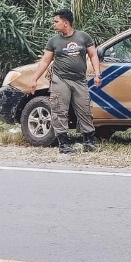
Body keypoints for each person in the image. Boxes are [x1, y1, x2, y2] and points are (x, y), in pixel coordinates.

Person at [29, 8, 101, 154]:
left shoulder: (83, 37)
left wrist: (98, 74)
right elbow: (44, 61)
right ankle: (64, 144)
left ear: (66, 23)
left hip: (80, 80)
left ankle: (88, 141)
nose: (54, 24)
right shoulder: (54, 41)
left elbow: (93, 55)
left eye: (56, 21)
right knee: (59, 111)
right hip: (60, 80)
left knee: (85, 110)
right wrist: (34, 79)